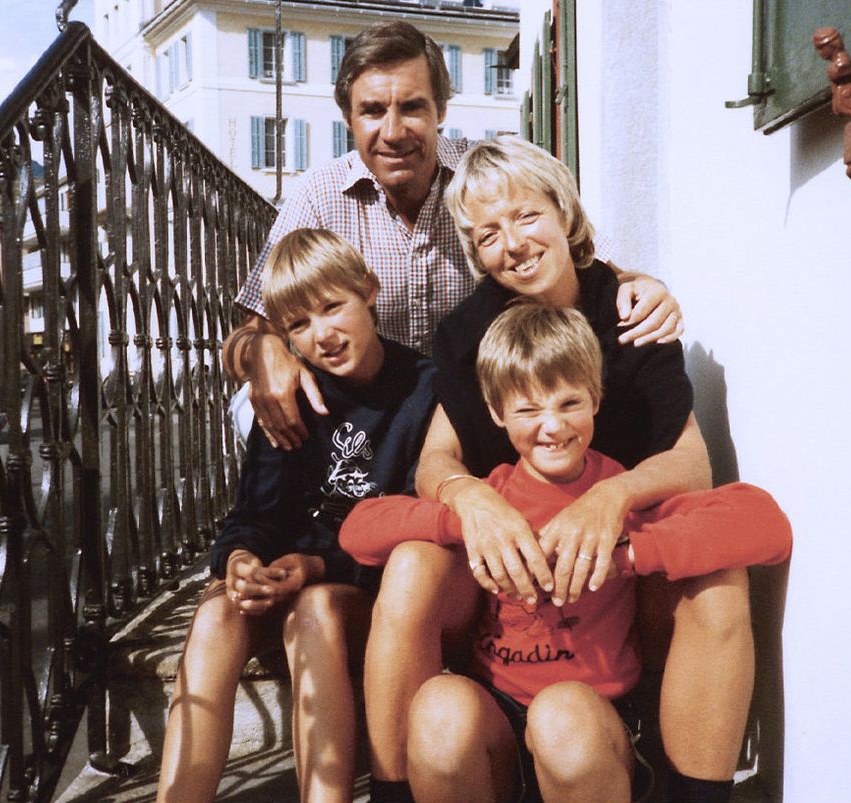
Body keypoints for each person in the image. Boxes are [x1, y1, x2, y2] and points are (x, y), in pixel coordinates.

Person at [360, 135, 768, 803]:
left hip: (621, 579)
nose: (513, 243)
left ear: (563, 212)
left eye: (525, 216)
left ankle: (690, 788)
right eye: (488, 233)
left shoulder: (632, 312)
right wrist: (473, 500)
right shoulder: (470, 332)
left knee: (719, 574)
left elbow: (694, 463)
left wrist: (611, 499)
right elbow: (437, 457)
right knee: (410, 563)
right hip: (509, 593)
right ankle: (393, 790)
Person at [340, 302, 792, 803]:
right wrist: (464, 518)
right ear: (497, 415)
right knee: (438, 708)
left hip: (594, 721)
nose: (552, 427)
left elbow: (765, 523)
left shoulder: (618, 494)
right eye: (528, 410)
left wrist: (625, 554)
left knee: (561, 716)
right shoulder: (494, 499)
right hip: (498, 718)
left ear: (596, 398)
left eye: (568, 404)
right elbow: (358, 530)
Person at [221, 20, 682, 455]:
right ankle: (293, 524)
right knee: (252, 403)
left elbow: (581, 257)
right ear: (349, 119)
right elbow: (246, 333)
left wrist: (644, 286)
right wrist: (264, 351)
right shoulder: (318, 196)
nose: (393, 131)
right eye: (373, 111)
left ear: (441, 109)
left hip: (474, 408)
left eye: (412, 107)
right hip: (365, 410)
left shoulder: (480, 181)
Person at [156, 229, 437, 803]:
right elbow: (251, 516)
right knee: (215, 614)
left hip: (369, 588)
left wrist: (314, 564)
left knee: (314, 609)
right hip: (290, 572)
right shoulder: (290, 394)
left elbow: (414, 519)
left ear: (369, 291)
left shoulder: (424, 389)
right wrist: (238, 559)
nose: (323, 335)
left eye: (333, 308)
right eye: (299, 326)